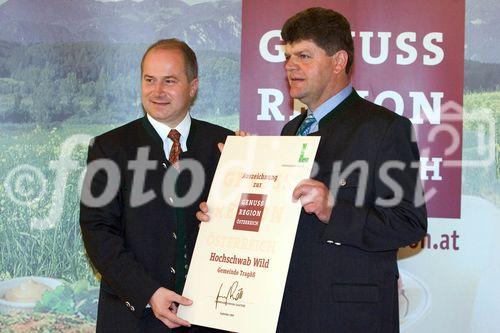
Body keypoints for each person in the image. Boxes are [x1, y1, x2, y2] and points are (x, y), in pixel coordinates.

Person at [197, 7, 427, 332]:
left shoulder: (385, 129)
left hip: (349, 318)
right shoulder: (290, 131)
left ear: (338, 61)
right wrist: (228, 202)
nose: (290, 66)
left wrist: (334, 209)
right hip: (287, 311)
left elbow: (410, 224)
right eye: (288, 56)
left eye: (304, 55)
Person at [80, 39, 232, 332]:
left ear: (193, 86)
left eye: (169, 81)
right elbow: (97, 231)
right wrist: (147, 292)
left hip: (209, 320)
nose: (157, 91)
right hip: (133, 317)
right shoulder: (108, 148)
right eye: (149, 80)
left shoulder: (226, 145)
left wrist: (252, 170)